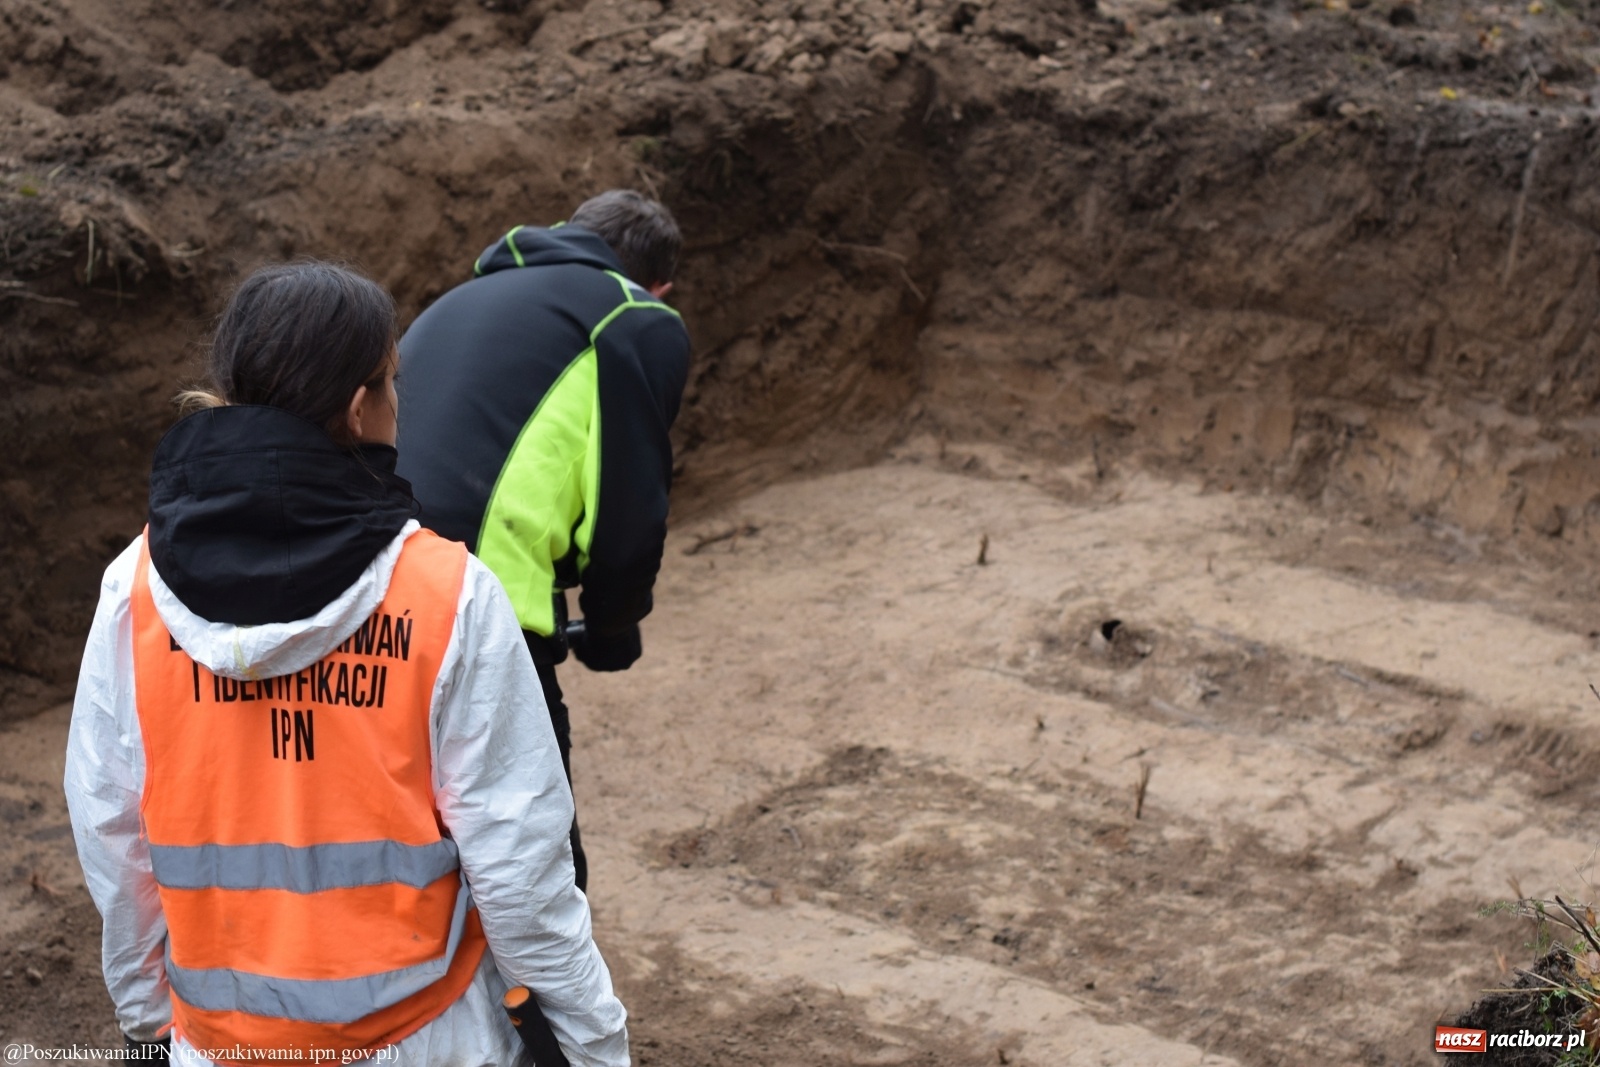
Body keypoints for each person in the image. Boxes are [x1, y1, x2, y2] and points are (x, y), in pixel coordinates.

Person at [63, 261, 629, 1066]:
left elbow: (111, 828)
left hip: (218, 1046)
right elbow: (520, 867)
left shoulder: (135, 590)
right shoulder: (448, 594)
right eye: (394, 384)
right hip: (425, 1040)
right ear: (362, 408)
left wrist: (146, 1019)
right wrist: (592, 1042)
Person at [396, 190, 693, 893]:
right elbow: (629, 503)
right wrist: (615, 625)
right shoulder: (637, 317)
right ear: (661, 286)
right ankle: (544, 1008)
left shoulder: (463, 299)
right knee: (536, 868)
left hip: (364, 578)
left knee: (413, 839)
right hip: (475, 599)